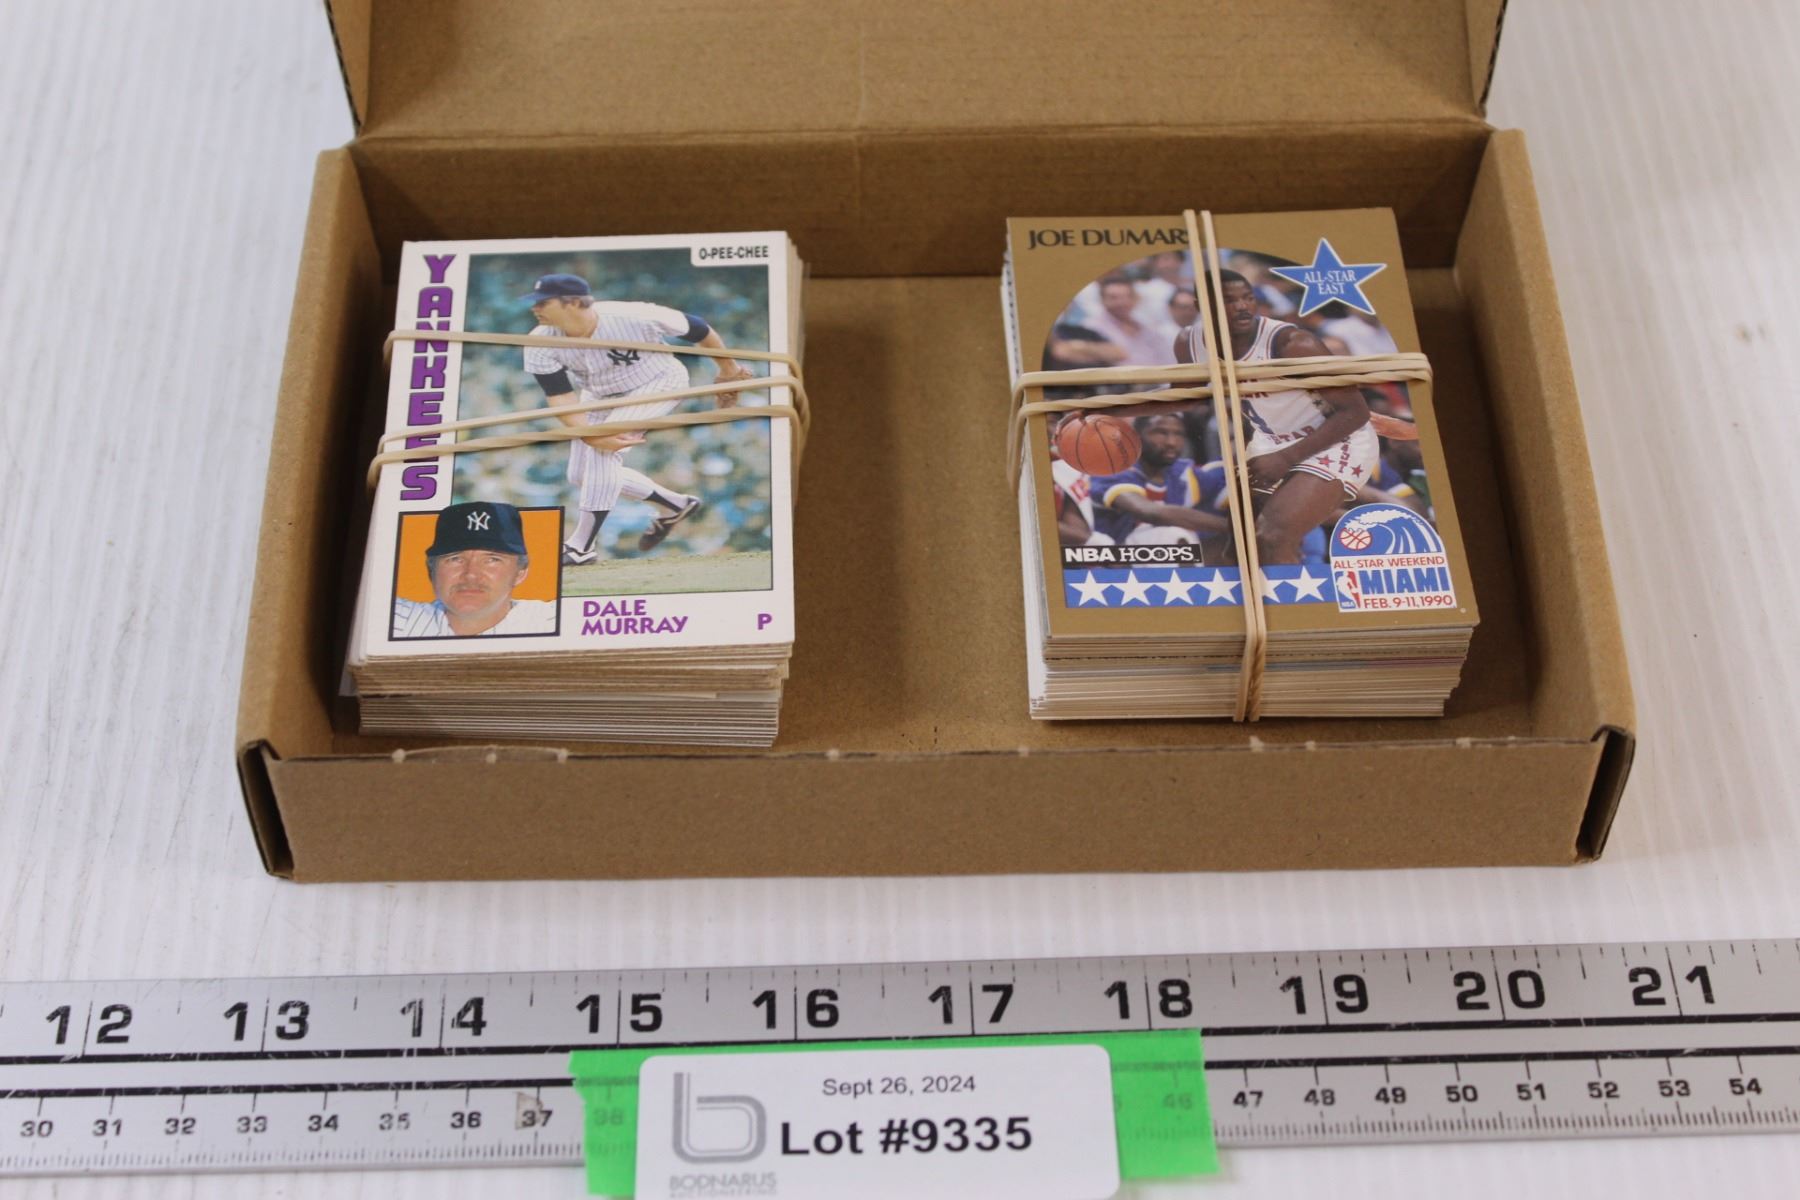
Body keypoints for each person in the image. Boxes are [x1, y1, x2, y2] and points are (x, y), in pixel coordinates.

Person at [519, 272, 755, 565]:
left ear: (574, 302)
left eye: (544, 302)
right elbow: (559, 396)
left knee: (604, 452)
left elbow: (699, 328)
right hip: (599, 394)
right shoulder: (540, 341)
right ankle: (675, 504)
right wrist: (589, 433)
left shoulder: (633, 316)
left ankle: (581, 547)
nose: (535, 307)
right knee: (581, 476)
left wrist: (729, 371)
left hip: (657, 382)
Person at [1176, 270, 1375, 564]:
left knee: (1272, 536)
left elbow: (1355, 412)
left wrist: (1285, 457)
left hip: (1335, 438)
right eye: (1229, 300)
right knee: (1242, 548)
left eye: (1247, 298)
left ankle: (1297, 591)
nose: (1242, 306)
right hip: (1274, 440)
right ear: (1202, 306)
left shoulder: (1293, 343)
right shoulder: (1190, 342)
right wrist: (1109, 412)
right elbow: (1178, 399)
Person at [392, 501, 557, 637]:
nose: (471, 574)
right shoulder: (397, 620)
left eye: (492, 560)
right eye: (455, 559)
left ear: (520, 573)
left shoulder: (550, 621)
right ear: (431, 570)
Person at [1087, 413, 1233, 549]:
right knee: (1168, 535)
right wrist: (1234, 526)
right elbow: (1150, 512)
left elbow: (1224, 484)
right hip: (1109, 560)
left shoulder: (1183, 473)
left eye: (1178, 434)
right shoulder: (1113, 467)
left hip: (1156, 559)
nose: (1171, 442)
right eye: (1160, 433)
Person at [1088, 276, 1178, 367]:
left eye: (1126, 297)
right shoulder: (1092, 328)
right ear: (1102, 300)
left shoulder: (1146, 326)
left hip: (1159, 374)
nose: (1121, 302)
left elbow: (1166, 357)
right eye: (1114, 298)